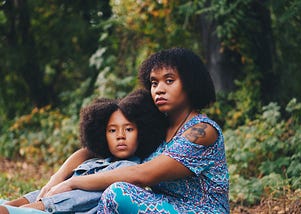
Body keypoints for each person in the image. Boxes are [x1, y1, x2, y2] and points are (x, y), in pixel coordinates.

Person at [2, 47, 230, 213]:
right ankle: (21, 207)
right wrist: (56, 179)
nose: (159, 89)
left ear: (190, 84)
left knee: (117, 191)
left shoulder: (201, 131)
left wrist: (73, 183)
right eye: (153, 83)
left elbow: (143, 175)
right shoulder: (160, 124)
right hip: (162, 204)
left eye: (169, 81)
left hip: (201, 211)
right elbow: (91, 150)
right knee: (101, 176)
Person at [0, 89, 167, 214]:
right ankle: (11, 206)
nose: (120, 136)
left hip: (61, 209)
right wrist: (52, 185)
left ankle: (21, 210)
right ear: (102, 135)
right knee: (48, 191)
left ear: (142, 133)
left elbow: (79, 198)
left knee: (92, 192)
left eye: (129, 129)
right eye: (112, 131)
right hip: (47, 203)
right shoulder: (95, 162)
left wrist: (39, 205)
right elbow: (54, 189)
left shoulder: (129, 170)